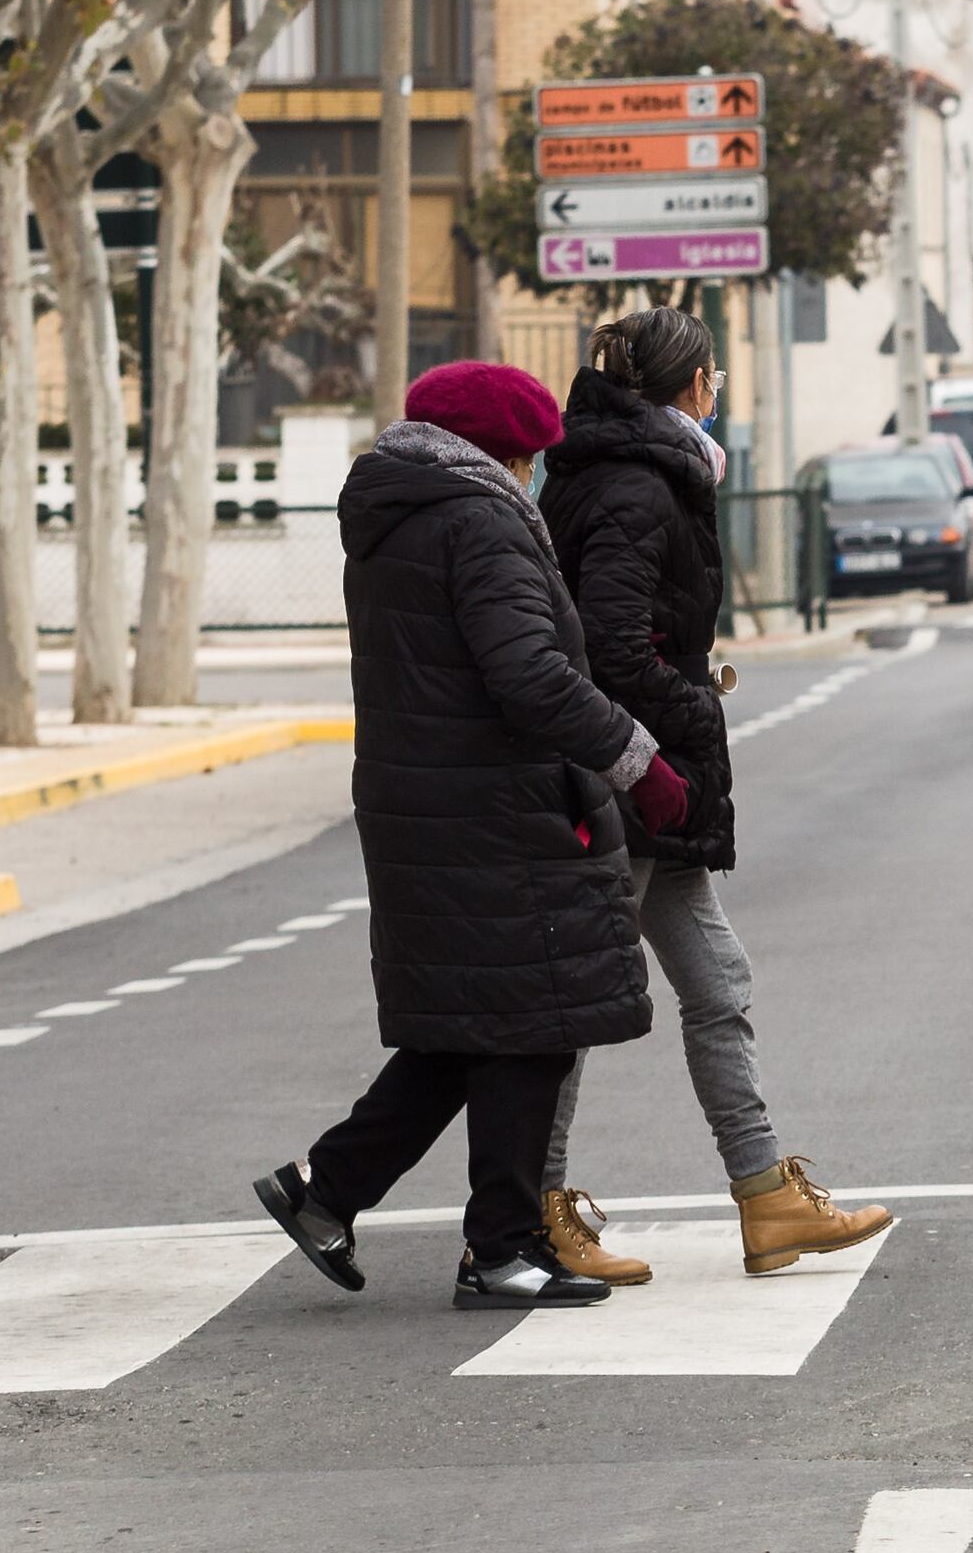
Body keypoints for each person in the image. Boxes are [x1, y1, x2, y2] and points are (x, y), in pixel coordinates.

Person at [252, 360, 685, 1311]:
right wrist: (635, 762)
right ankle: (501, 1250)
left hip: (433, 803)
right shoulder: (479, 519)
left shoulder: (401, 510)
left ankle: (326, 1191)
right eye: (530, 457)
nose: (536, 472)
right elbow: (529, 672)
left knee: (477, 1023)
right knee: (532, 1025)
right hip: (494, 808)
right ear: (504, 452)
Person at [528, 306, 890, 1285]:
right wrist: (682, 719)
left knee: (716, 980)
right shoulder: (637, 489)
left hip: (643, 773)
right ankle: (534, 1209)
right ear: (691, 391)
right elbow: (610, 643)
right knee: (575, 1008)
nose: (717, 402)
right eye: (715, 385)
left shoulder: (611, 473)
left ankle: (765, 1196)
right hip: (629, 777)